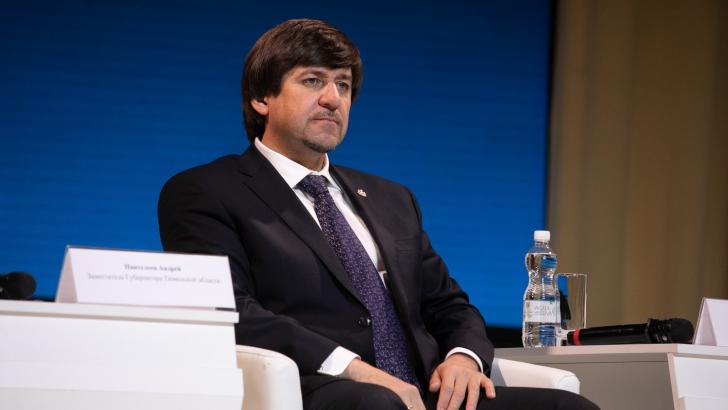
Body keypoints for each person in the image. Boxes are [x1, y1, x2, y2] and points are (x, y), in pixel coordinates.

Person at [158, 18, 598, 410]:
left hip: (423, 393)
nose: (333, 99)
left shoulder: (392, 199)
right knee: (375, 402)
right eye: (312, 81)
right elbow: (233, 311)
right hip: (319, 387)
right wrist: (355, 368)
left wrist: (462, 358)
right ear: (261, 98)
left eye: (343, 85)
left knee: (566, 406)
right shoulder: (207, 191)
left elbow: (448, 305)